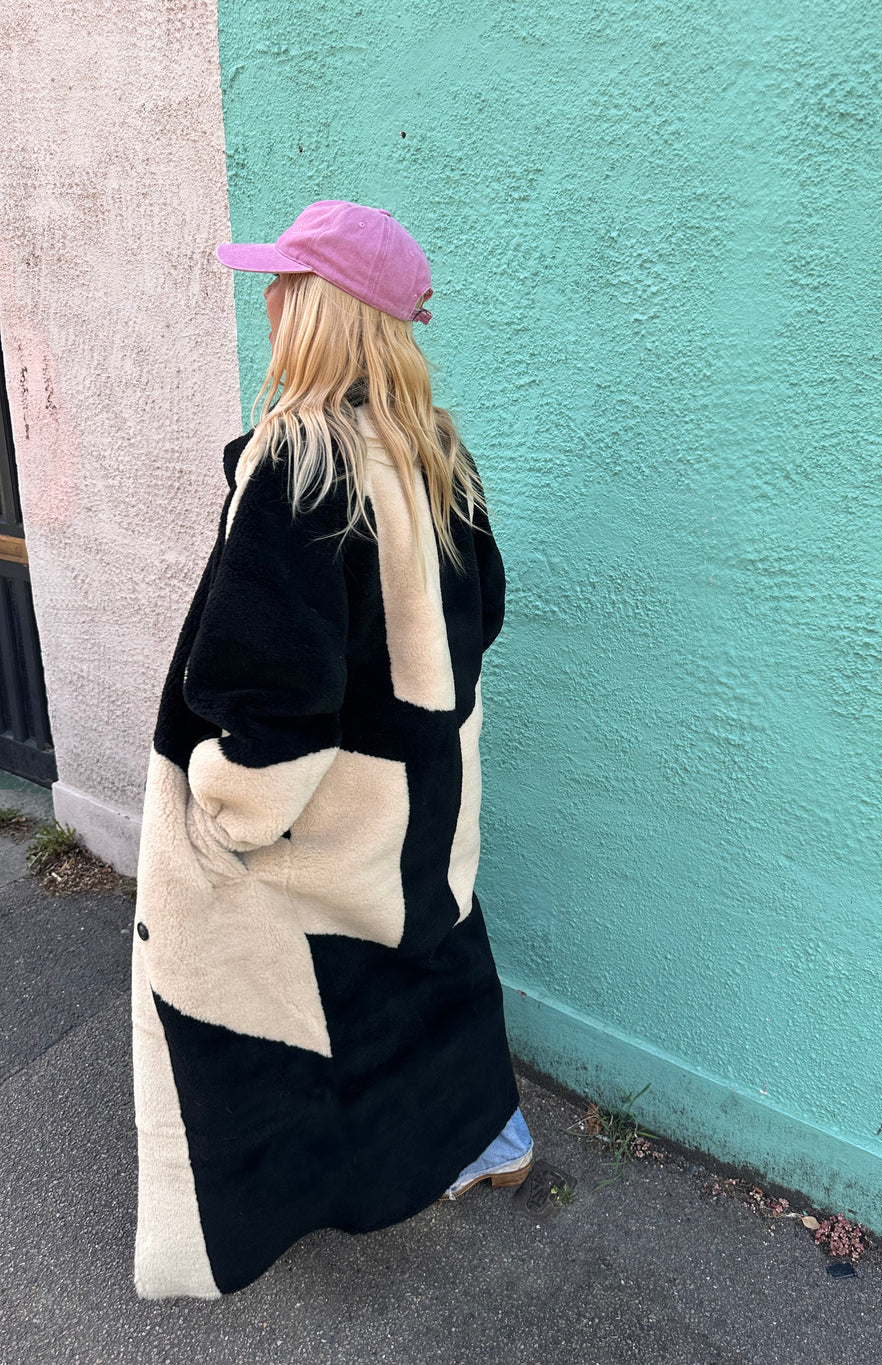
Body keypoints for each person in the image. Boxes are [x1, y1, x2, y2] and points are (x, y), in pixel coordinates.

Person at [131, 199, 534, 1300]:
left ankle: (270, 1211)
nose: (263, 298)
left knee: (266, 1021)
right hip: (424, 800)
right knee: (428, 969)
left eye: (279, 282)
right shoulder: (437, 451)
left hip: (323, 814)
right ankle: (490, 1141)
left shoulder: (299, 461)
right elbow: (483, 615)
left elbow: (267, 696)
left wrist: (223, 813)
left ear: (316, 311)